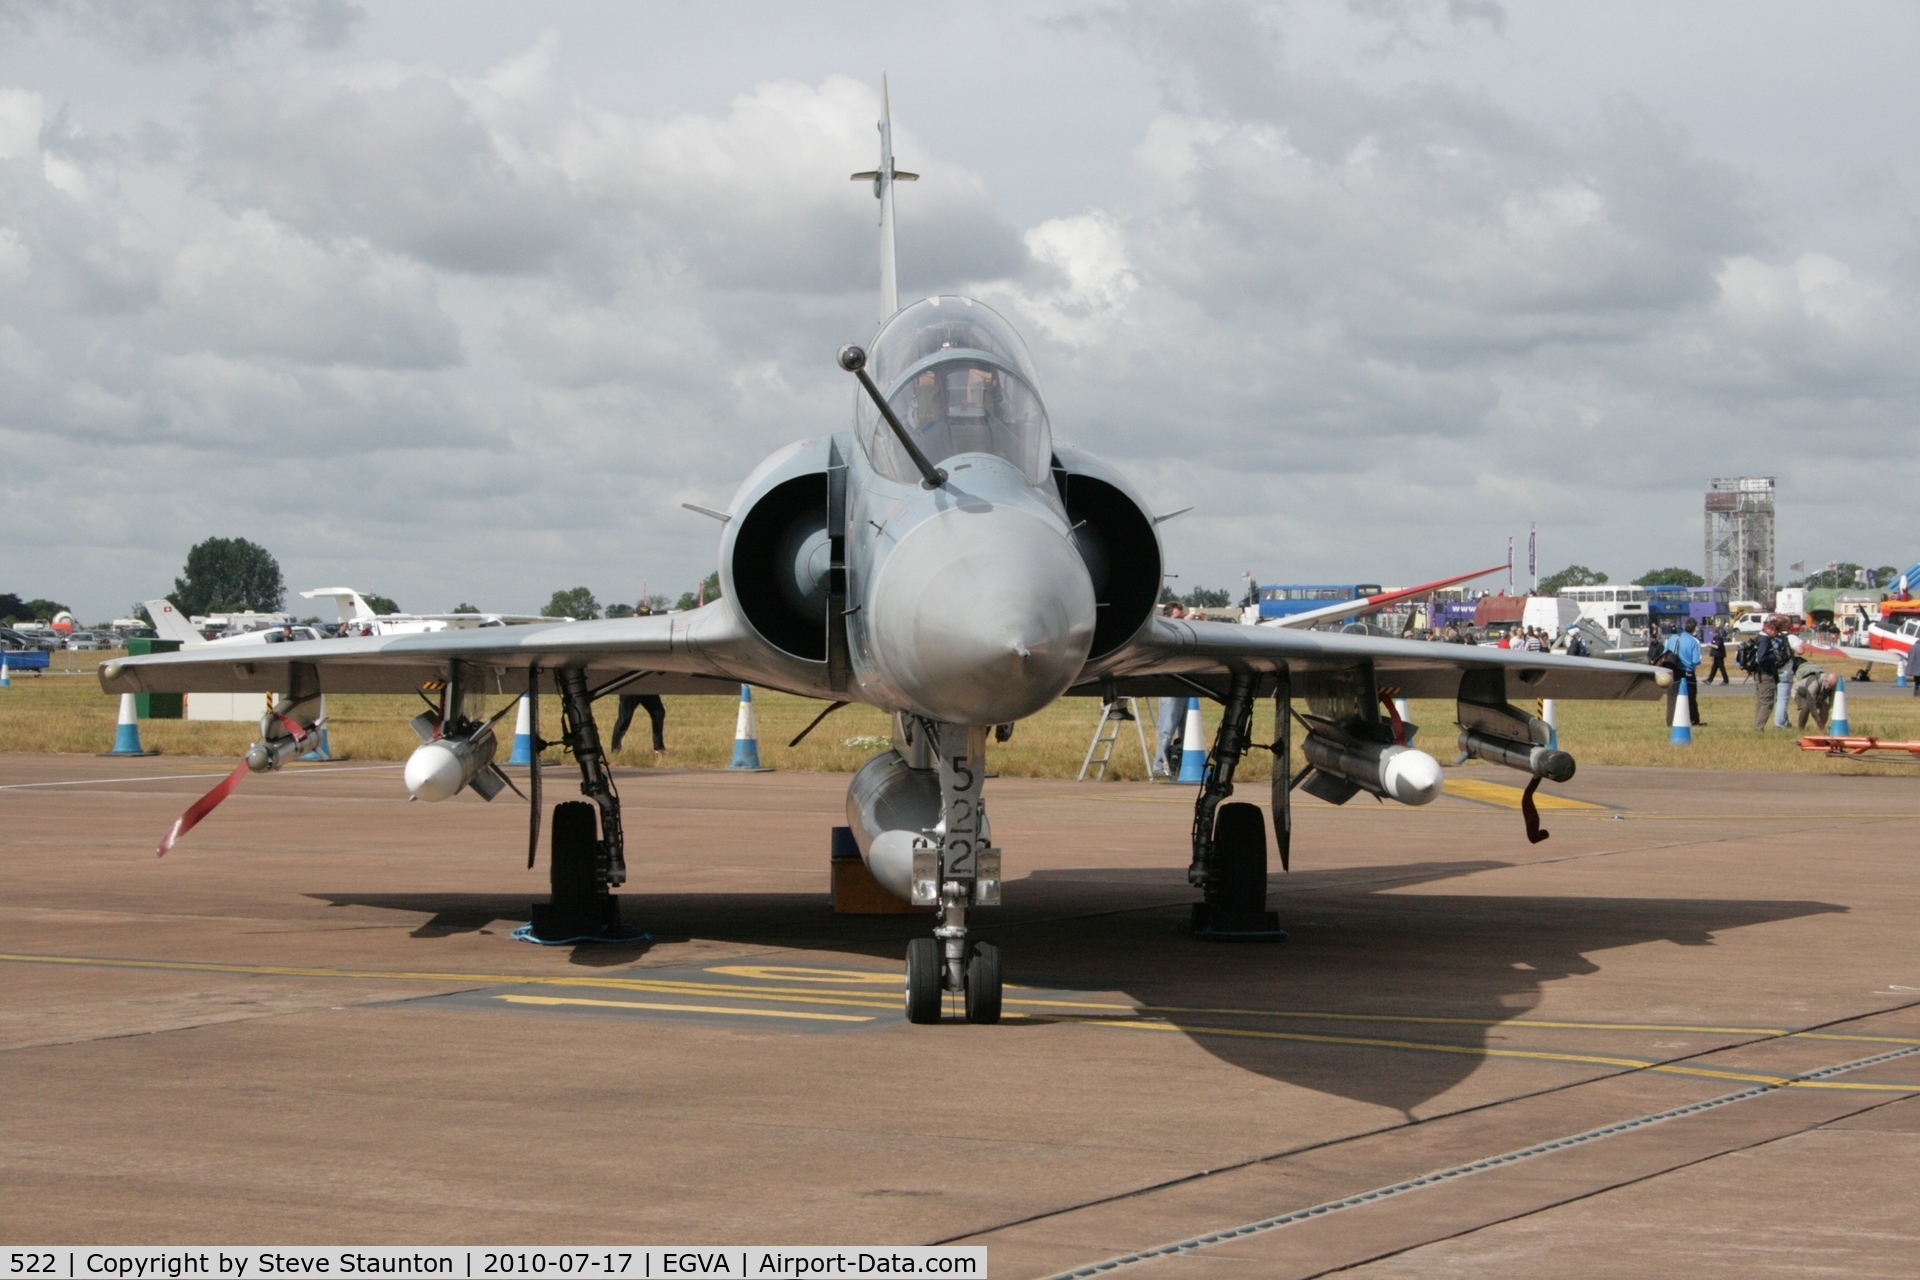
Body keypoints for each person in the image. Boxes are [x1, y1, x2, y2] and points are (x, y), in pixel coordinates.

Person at [1664, 617, 1703, 726]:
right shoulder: (1694, 641)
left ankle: (1671, 721)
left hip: (1672, 671)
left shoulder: (1672, 638)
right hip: (1687, 673)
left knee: (1672, 698)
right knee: (1690, 699)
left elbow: (1665, 653)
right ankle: (1693, 720)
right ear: (1694, 628)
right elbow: (1696, 660)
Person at [1751, 619, 1790, 730]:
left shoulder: (1759, 637)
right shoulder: (1765, 640)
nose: (1776, 635)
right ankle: (1759, 728)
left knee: (1761, 701)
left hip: (1758, 673)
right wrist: (1775, 657)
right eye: (1777, 632)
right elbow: (1762, 658)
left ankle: (1758, 726)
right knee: (1767, 702)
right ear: (1772, 629)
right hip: (1765, 674)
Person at [1791, 667, 1839, 731]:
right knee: (1806, 707)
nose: (1828, 688)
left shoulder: (1832, 686)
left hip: (1815, 694)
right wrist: (1818, 721)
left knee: (1825, 706)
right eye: (1829, 685)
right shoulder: (1814, 683)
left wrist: (1832, 722)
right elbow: (1811, 704)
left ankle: (1821, 730)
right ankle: (1800, 729)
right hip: (1800, 692)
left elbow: (1832, 704)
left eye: (1831, 687)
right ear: (1825, 680)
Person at [1155, 696, 1183, 776]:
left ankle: (1180, 765)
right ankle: (1159, 766)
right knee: (1166, 730)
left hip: (1188, 692)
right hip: (1171, 692)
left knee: (1186, 732)